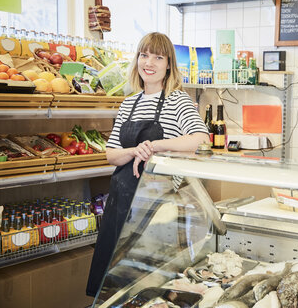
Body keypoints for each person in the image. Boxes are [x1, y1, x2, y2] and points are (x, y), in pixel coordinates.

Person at [86, 32, 209, 298]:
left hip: (158, 205)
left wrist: (156, 145)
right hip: (122, 201)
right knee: (114, 279)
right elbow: (111, 155)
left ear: (168, 65)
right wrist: (134, 150)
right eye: (144, 55)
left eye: (157, 56)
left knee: (148, 280)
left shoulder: (177, 99)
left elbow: (200, 139)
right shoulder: (129, 103)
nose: (149, 62)